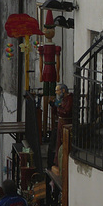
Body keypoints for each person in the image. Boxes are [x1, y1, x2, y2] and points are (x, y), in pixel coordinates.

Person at [38, 10, 61, 138]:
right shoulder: (44, 47)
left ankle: (52, 127)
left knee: (52, 96)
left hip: (51, 70)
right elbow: (41, 61)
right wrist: (41, 74)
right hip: (47, 70)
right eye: (47, 30)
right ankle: (46, 127)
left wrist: (58, 74)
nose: (48, 32)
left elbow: (58, 61)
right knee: (46, 97)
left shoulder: (54, 48)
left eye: (50, 30)